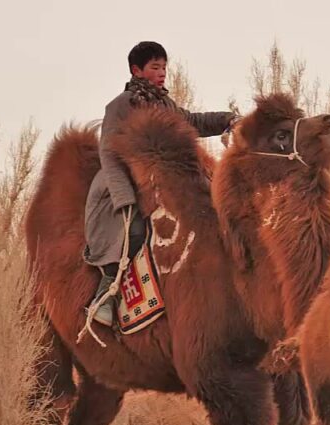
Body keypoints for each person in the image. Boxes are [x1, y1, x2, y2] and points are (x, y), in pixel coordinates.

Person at [84, 41, 238, 325]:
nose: (162, 72)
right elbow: (108, 151)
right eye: (155, 67)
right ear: (136, 70)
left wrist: (229, 120)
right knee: (134, 232)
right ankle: (106, 293)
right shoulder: (119, 106)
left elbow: (193, 121)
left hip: (164, 183)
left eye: (164, 67)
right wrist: (124, 199)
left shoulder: (165, 105)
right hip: (123, 183)